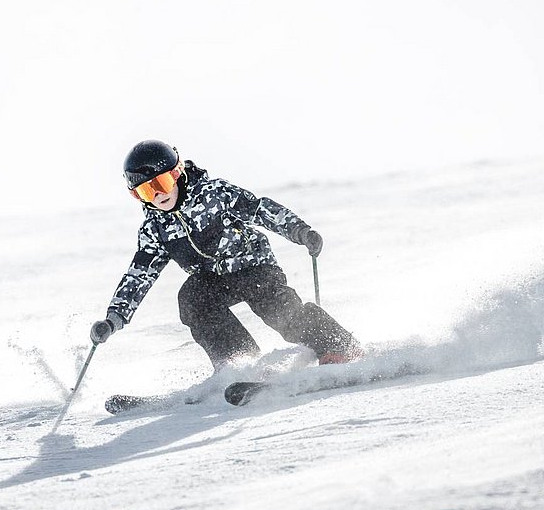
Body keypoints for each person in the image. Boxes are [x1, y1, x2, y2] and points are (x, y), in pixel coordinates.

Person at [89, 140, 363, 370]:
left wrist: (300, 232)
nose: (157, 195)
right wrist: (114, 318)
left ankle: (337, 346)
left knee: (276, 309)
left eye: (160, 182)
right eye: (145, 191)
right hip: (214, 280)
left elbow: (260, 210)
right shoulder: (155, 228)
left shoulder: (214, 194)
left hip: (254, 267)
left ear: (176, 174)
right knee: (192, 299)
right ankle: (240, 364)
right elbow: (139, 276)